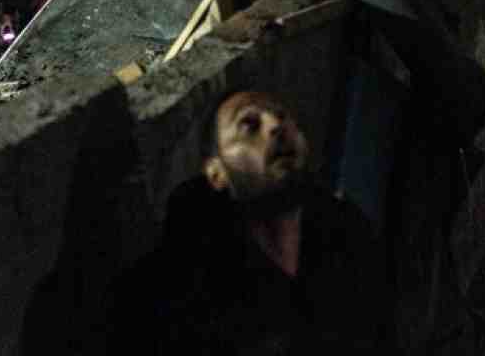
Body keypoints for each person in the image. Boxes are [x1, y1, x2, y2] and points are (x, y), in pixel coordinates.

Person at [111, 90, 395, 351]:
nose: (276, 125)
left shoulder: (349, 237)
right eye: (249, 125)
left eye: (282, 116)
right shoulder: (185, 290)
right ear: (216, 172)